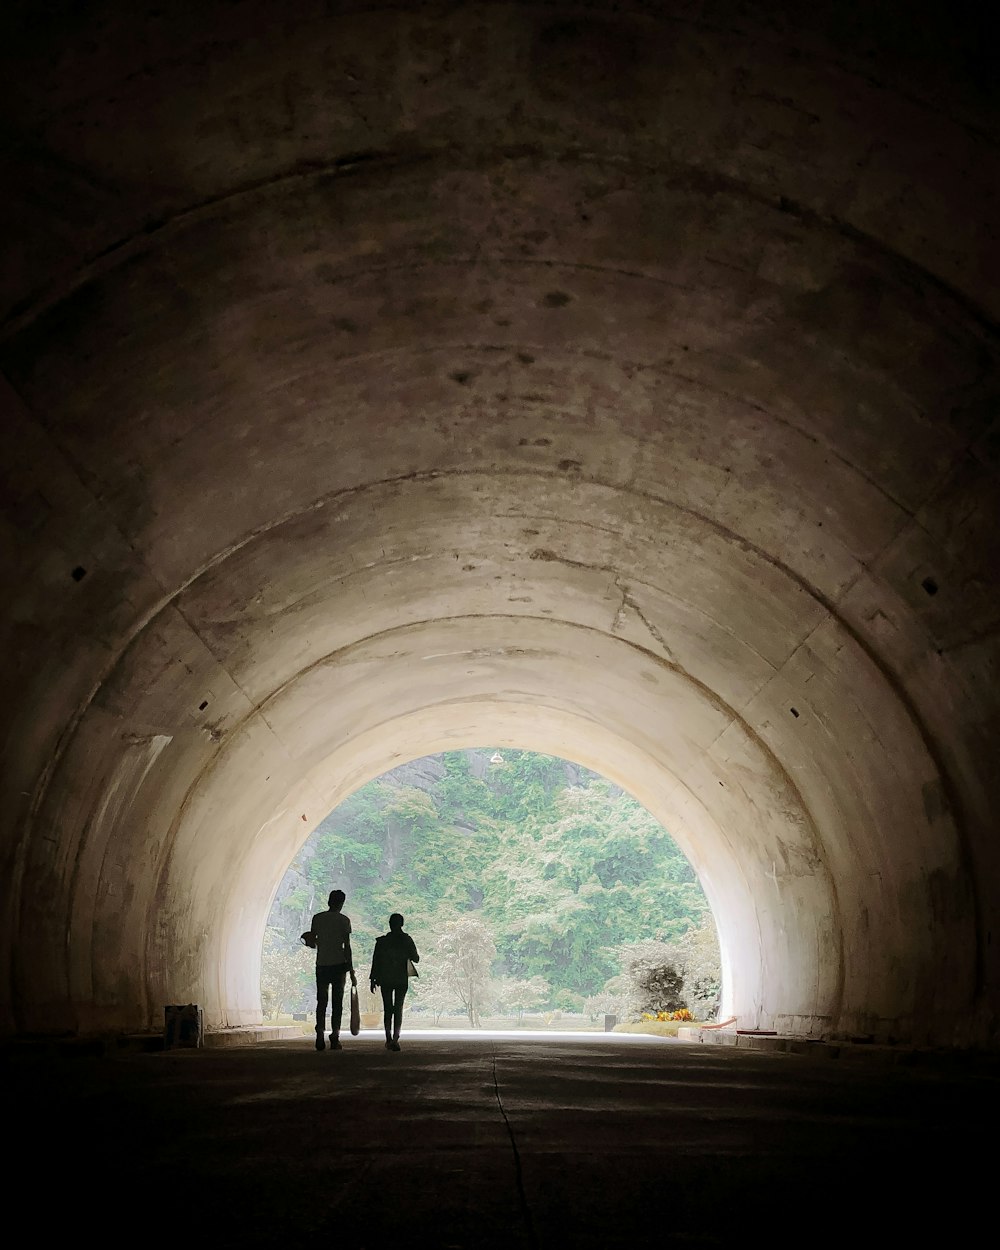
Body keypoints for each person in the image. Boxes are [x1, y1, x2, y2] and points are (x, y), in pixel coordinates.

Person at [301, 889, 357, 1051]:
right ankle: (335, 1037)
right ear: (341, 903)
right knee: (337, 1002)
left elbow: (312, 942)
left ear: (328, 901)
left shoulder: (318, 918)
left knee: (322, 1001)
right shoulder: (344, 920)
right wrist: (351, 971)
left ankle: (320, 1035)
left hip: (322, 964)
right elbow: (347, 947)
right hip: (339, 965)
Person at [369, 913, 419, 1051]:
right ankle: (396, 1038)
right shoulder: (406, 940)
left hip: (385, 978)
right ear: (401, 924)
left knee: (388, 1009)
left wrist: (372, 979)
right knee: (398, 1008)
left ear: (390, 924)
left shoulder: (382, 941)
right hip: (401, 978)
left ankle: (388, 1038)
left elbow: (376, 962)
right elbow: (416, 958)